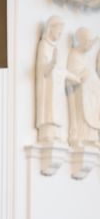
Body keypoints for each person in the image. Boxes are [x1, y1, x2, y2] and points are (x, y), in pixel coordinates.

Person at [35, 16, 68, 144]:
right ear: (51, 28)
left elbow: (60, 70)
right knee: (49, 109)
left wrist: (73, 77)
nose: (60, 34)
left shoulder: (55, 47)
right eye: (59, 30)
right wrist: (53, 63)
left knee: (56, 109)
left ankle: (56, 134)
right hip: (47, 89)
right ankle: (47, 134)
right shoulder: (44, 45)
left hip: (56, 88)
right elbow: (43, 70)